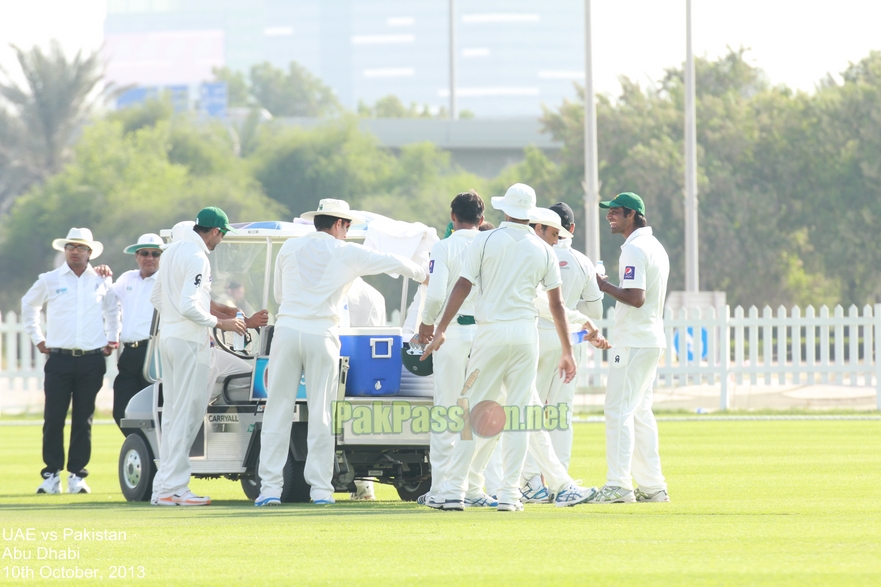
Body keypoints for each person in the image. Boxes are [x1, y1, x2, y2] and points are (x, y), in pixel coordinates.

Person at [422, 184, 600, 512]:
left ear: (504, 211)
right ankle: (509, 494)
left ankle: (455, 491)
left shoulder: (486, 240)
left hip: (490, 334)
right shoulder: (543, 249)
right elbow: (556, 304)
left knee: (474, 411)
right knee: (519, 417)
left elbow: (463, 286)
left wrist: (440, 329)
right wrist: (567, 349)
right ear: (530, 214)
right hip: (525, 336)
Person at [256, 199, 426, 506]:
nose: (347, 232)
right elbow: (391, 261)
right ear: (338, 224)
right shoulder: (344, 251)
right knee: (321, 412)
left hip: (288, 330)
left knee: (277, 410)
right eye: (347, 227)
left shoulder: (290, 248)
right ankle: (320, 491)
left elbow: (280, 295)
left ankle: (269, 490)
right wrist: (424, 275)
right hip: (322, 333)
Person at [150, 207, 245, 506]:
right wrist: (221, 322)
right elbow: (189, 305)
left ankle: (163, 488)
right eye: (223, 234)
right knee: (188, 416)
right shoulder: (197, 256)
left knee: (175, 415)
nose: (221, 240)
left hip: (170, 339)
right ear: (215, 231)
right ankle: (173, 488)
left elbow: (157, 298)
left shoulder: (171, 252)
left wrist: (184, 320)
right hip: (190, 343)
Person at [22, 227, 120, 494]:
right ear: (64, 251)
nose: (75, 251)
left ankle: (77, 475)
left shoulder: (102, 280)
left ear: (90, 253)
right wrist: (38, 338)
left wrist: (112, 338)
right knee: (53, 418)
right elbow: (29, 304)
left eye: (80, 248)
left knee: (83, 418)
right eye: (70, 247)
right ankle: (51, 474)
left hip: (91, 359)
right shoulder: (50, 279)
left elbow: (112, 310)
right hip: (59, 358)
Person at [587, 192, 671, 504]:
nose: (610, 217)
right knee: (639, 412)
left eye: (616, 212)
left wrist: (602, 285)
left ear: (633, 215)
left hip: (634, 341)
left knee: (618, 410)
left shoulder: (635, 248)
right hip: (649, 339)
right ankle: (652, 486)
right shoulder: (654, 246)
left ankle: (619, 485)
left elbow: (636, 298)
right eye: (609, 212)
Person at [520, 203, 606, 500]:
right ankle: (560, 480)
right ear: (571, 229)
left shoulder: (533, 252)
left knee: (531, 412)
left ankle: (532, 481)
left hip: (536, 335)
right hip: (568, 339)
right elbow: (595, 307)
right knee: (559, 413)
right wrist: (578, 314)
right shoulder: (582, 261)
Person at [416, 190, 495, 508]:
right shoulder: (491, 244)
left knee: (448, 412)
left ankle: (443, 490)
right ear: (482, 217)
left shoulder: (444, 246)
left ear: (453, 217)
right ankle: (473, 487)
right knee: (481, 412)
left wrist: (427, 324)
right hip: (486, 335)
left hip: (453, 333)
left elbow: (436, 295)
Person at [108, 233, 163, 432]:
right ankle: (142, 448)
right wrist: (101, 277)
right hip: (129, 352)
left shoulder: (166, 280)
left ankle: (157, 456)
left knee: (156, 409)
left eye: (155, 253)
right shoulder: (127, 278)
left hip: (155, 351)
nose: (150, 258)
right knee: (122, 411)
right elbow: (107, 301)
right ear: (136, 256)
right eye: (145, 253)